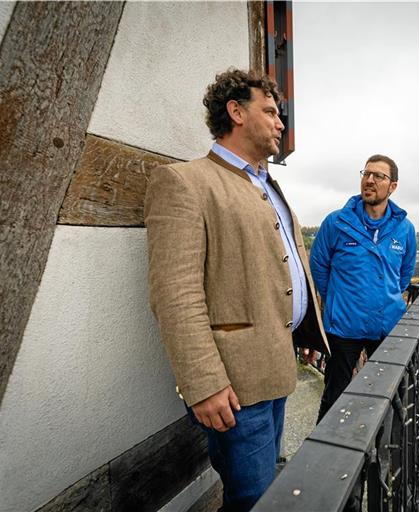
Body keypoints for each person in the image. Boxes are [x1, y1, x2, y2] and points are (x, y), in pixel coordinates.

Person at [145, 68, 328, 512]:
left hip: (277, 367)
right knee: (252, 499)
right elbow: (176, 294)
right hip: (233, 386)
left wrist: (302, 334)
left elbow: (281, 269)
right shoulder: (185, 182)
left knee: (267, 490)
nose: (280, 123)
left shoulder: (268, 184)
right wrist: (203, 384)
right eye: (270, 111)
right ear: (236, 112)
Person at [310, 154, 416, 423]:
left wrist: (384, 298)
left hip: (386, 327)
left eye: (378, 176)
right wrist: (338, 299)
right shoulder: (336, 223)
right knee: (334, 396)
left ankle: (378, 456)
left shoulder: (404, 229)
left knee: (387, 397)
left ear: (392, 186)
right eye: (366, 174)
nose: (369, 180)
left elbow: (404, 275)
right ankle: (325, 457)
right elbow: (319, 267)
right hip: (344, 328)